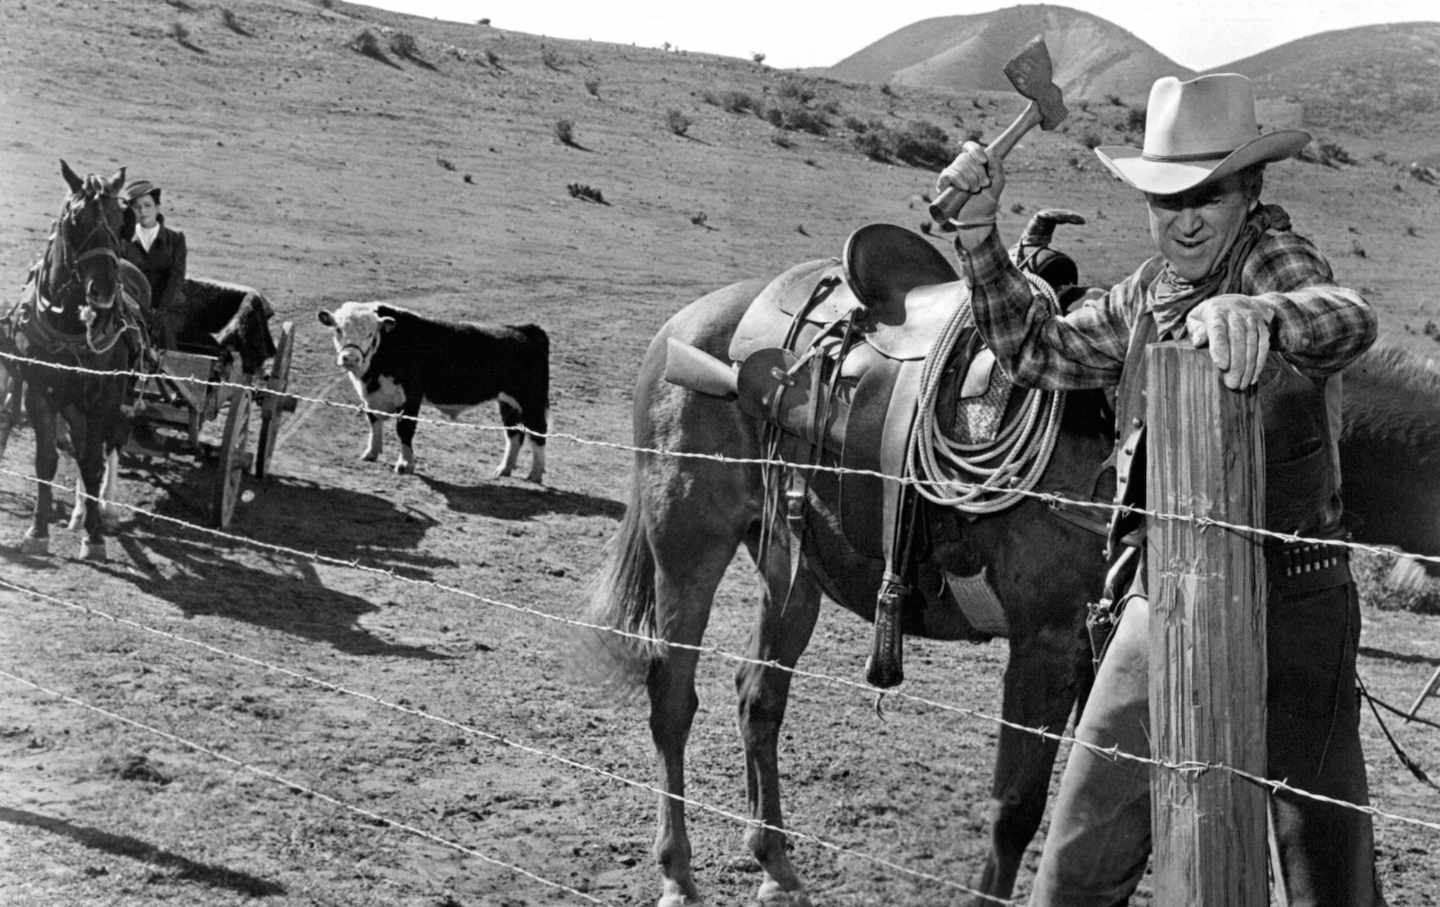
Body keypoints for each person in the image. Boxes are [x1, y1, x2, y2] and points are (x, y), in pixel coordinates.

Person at [936, 73, 1382, 905]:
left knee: (1328, 873)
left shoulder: (1269, 254)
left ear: (1250, 191)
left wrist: (1265, 314)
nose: (1184, 218)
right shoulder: (1146, 293)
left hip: (1294, 603)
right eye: (1165, 196)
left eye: (1207, 195)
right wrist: (977, 234)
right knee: (1075, 864)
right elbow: (1037, 353)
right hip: (1159, 596)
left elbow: (1346, 314)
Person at [121, 179, 187, 349]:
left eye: (147, 205)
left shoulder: (175, 240)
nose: (142, 211)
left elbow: (176, 278)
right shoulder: (123, 241)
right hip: (132, 304)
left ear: (157, 207)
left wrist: (160, 310)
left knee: (165, 335)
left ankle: (169, 371)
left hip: (166, 306)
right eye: (136, 207)